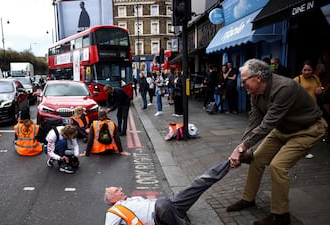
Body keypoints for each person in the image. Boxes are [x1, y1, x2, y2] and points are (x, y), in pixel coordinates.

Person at [226, 59, 328, 225]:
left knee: (278, 166)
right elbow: (254, 120)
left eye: (244, 81)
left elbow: (268, 123)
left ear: (257, 78)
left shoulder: (284, 88)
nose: (242, 84)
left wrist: (241, 148)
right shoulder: (256, 93)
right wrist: (241, 148)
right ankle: (248, 199)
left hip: (307, 130)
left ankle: (281, 216)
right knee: (256, 160)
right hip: (283, 129)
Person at [104, 160, 230, 225]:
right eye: (116, 190)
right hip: (159, 215)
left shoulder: (130, 200)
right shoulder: (114, 212)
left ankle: (229, 162)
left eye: (119, 188)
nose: (121, 190)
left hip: (170, 206)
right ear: (112, 200)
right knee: (162, 203)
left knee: (197, 183)